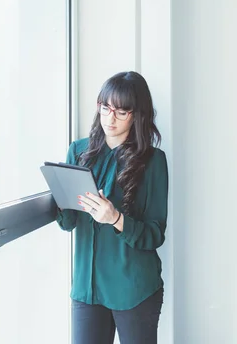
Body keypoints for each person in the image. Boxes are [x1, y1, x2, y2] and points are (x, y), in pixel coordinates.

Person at [56, 71, 169, 344]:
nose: (110, 118)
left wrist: (116, 218)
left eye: (121, 112)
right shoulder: (78, 151)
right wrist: (60, 194)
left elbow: (155, 234)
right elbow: (68, 222)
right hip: (88, 288)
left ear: (137, 115)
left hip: (133, 289)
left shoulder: (153, 161)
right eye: (105, 108)